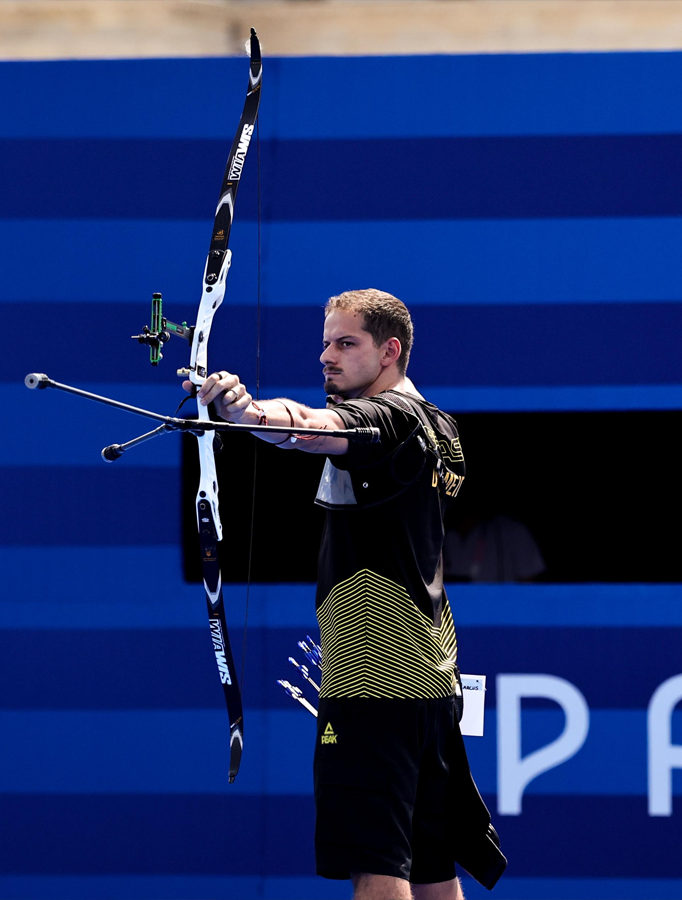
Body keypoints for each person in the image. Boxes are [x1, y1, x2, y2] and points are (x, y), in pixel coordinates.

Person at [185, 288, 504, 900]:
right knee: (433, 869)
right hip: (433, 676)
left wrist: (248, 414)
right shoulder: (440, 427)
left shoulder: (389, 419)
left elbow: (312, 426)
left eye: (345, 343)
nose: (326, 357)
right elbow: (319, 433)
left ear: (391, 351)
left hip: (374, 675)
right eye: (325, 342)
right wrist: (261, 423)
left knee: (377, 866)